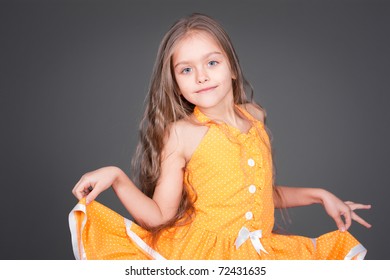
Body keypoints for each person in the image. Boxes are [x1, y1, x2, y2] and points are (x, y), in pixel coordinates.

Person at [69, 13, 371, 260]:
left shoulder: (255, 116)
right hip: (203, 256)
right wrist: (117, 177)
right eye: (186, 70)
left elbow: (256, 195)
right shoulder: (182, 134)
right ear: (175, 83)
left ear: (232, 68)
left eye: (212, 63)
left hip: (259, 254)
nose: (201, 76)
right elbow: (159, 215)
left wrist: (320, 196)